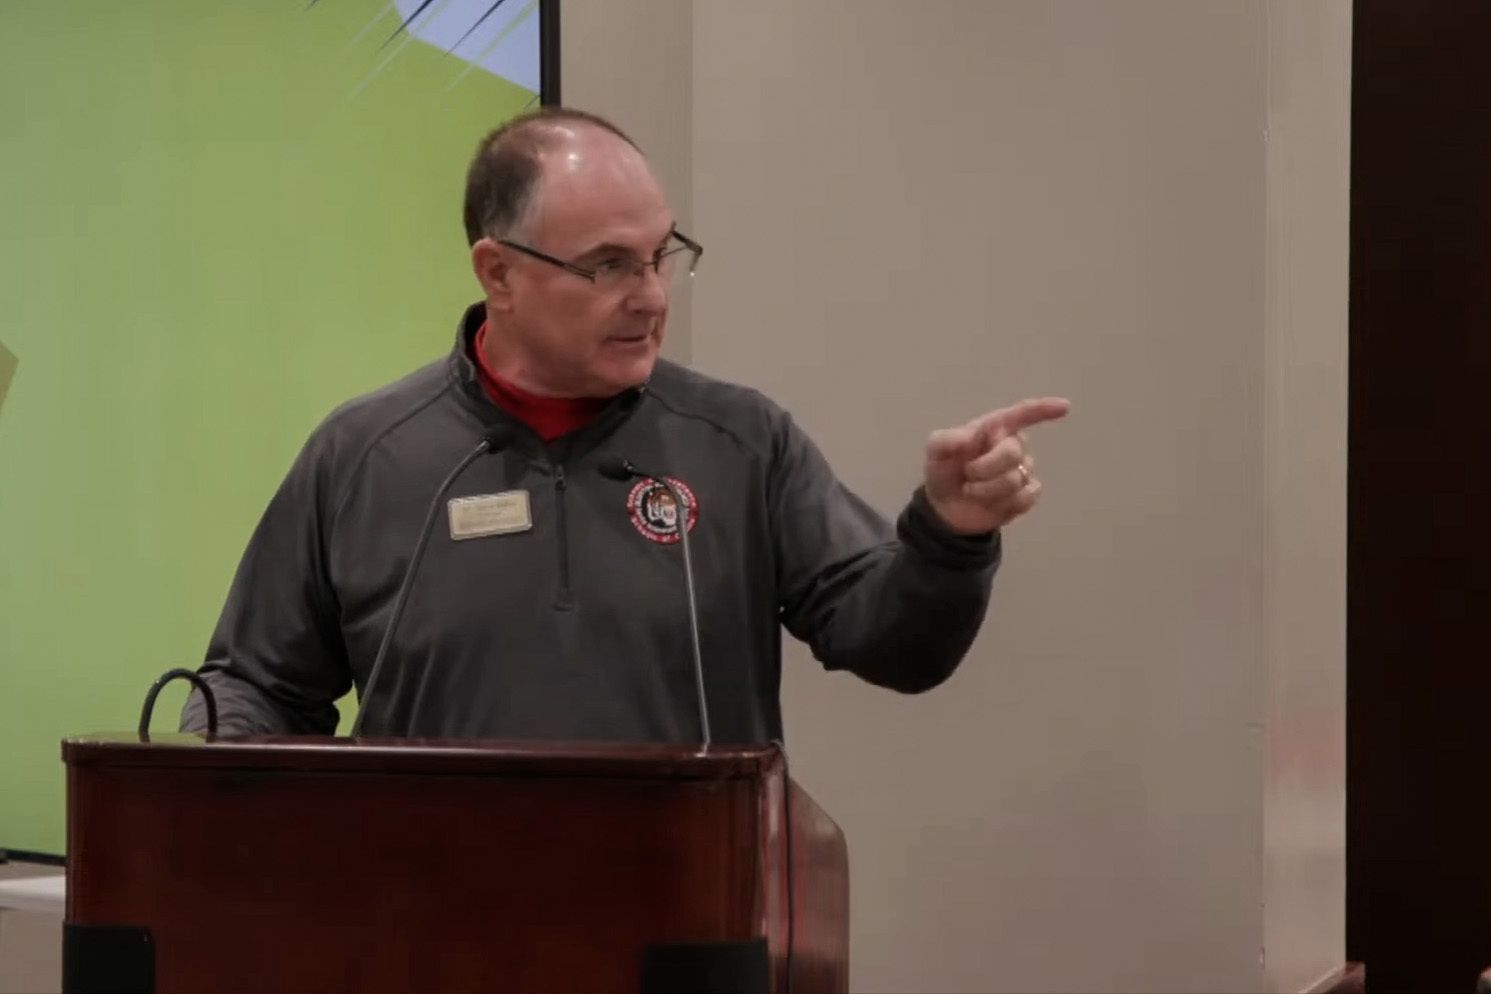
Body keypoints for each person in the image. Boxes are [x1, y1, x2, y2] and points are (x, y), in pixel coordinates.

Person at [181, 107, 1069, 742]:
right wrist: (224, 777)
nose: (648, 295)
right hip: (428, 933)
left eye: (659, 256)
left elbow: (894, 645)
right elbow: (255, 684)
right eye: (609, 265)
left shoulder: (740, 442)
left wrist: (949, 534)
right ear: (498, 273)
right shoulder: (365, 454)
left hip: (684, 924)